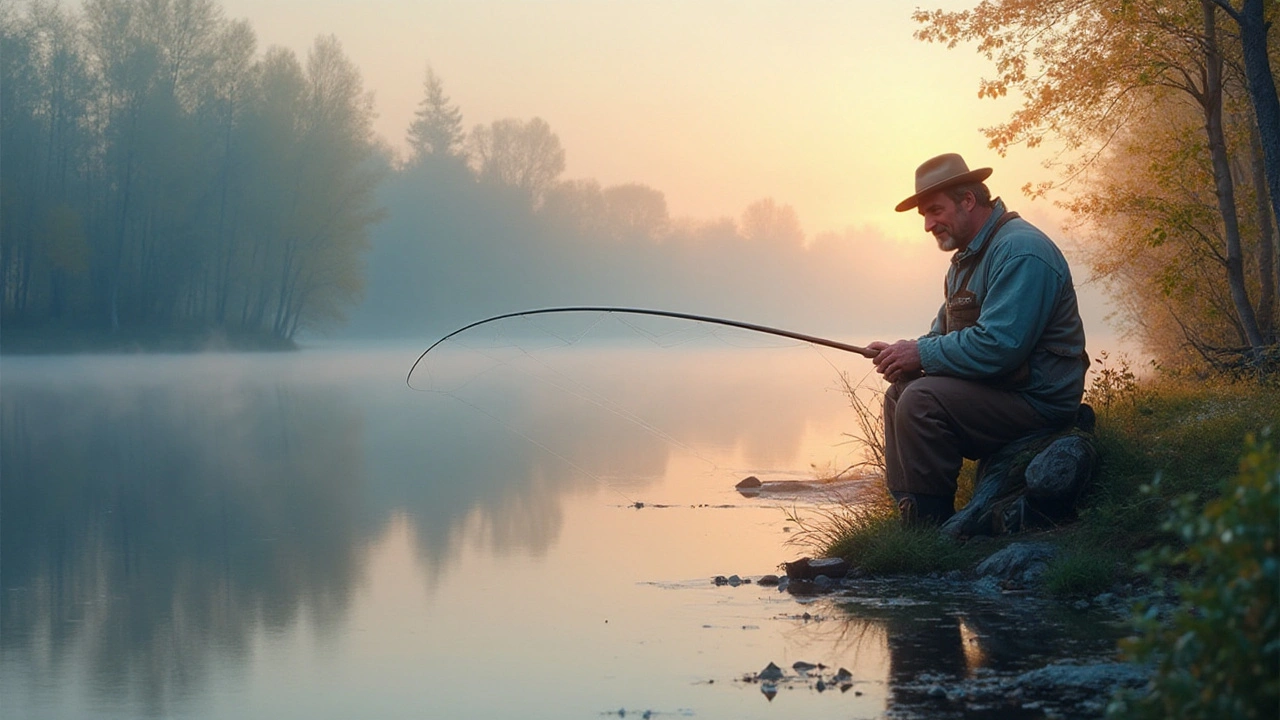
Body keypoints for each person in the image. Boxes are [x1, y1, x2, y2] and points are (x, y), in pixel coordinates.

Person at [868, 153, 1088, 526]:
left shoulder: (1021, 251)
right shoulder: (967, 259)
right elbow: (943, 336)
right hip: (1002, 390)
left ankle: (931, 526)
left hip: (1039, 399)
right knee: (900, 393)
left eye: (934, 211)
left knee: (921, 400)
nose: (927, 225)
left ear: (968, 200)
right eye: (924, 215)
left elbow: (999, 347)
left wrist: (920, 353)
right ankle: (910, 516)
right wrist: (901, 353)